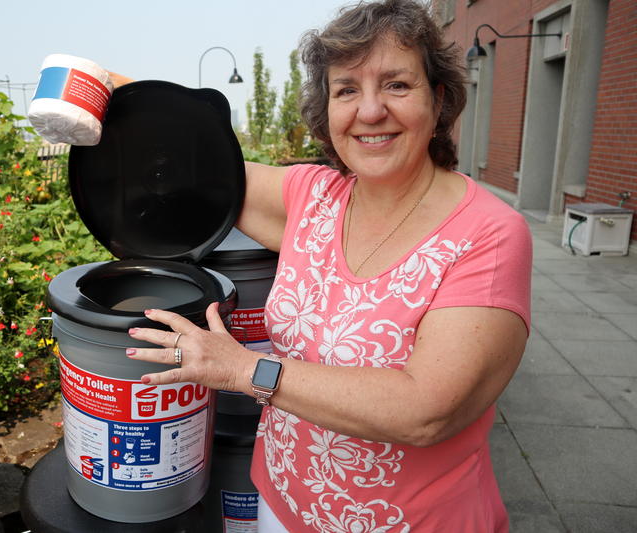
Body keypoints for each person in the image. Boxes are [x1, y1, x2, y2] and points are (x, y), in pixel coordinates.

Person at [124, 0, 532, 530]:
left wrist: (244, 369)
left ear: (440, 99)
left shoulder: (489, 234)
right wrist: (101, 91)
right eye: (346, 90)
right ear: (327, 110)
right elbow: (192, 154)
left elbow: (426, 409)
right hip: (280, 499)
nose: (369, 111)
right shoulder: (314, 196)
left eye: (396, 85)